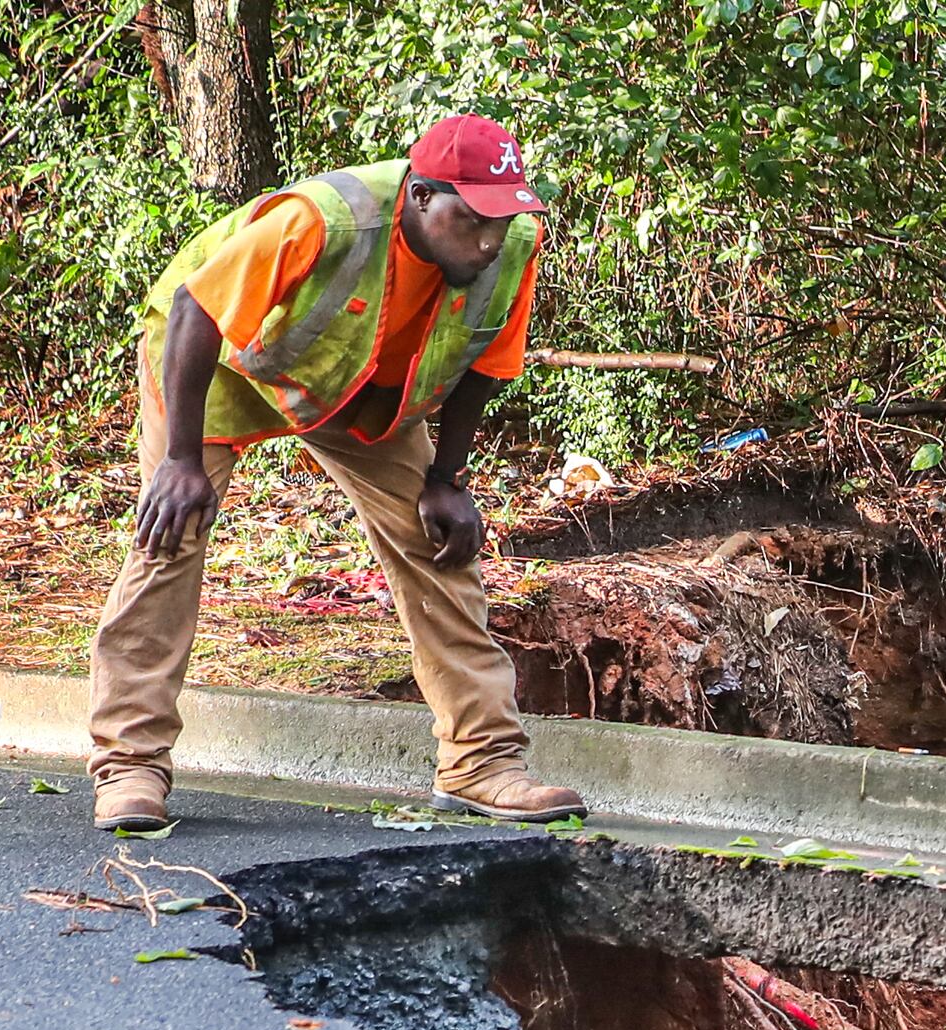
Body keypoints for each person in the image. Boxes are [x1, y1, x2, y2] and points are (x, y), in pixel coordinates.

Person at [83, 114, 585, 835]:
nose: (487, 239)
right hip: (219, 366)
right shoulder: (322, 221)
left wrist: (448, 478)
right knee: (173, 533)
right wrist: (182, 461)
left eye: (501, 220)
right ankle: (131, 764)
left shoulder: (509, 247)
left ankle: (482, 762)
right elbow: (199, 307)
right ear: (419, 197)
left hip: (352, 391)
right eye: (470, 219)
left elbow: (483, 365)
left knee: (435, 539)